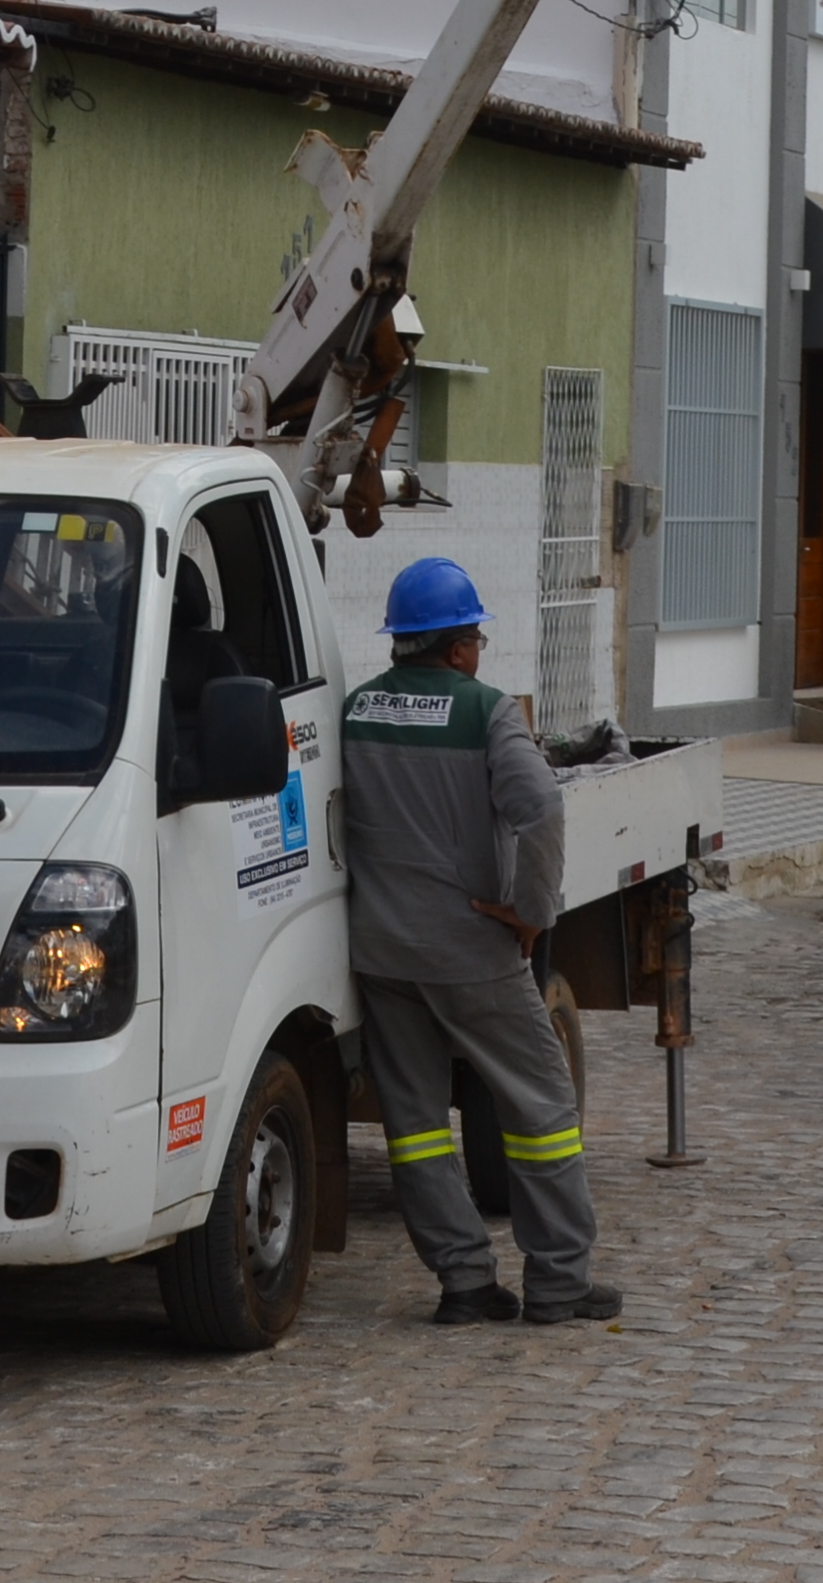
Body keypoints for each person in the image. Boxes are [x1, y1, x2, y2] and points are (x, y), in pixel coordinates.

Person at [338, 556, 613, 1326]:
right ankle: (559, 1282)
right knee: (544, 1107)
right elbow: (541, 811)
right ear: (459, 648)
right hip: (470, 952)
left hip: (383, 953)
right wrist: (532, 912)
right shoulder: (487, 712)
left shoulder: (356, 711)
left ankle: (463, 1283)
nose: (480, 654)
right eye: (478, 640)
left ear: (401, 640)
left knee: (418, 1125)